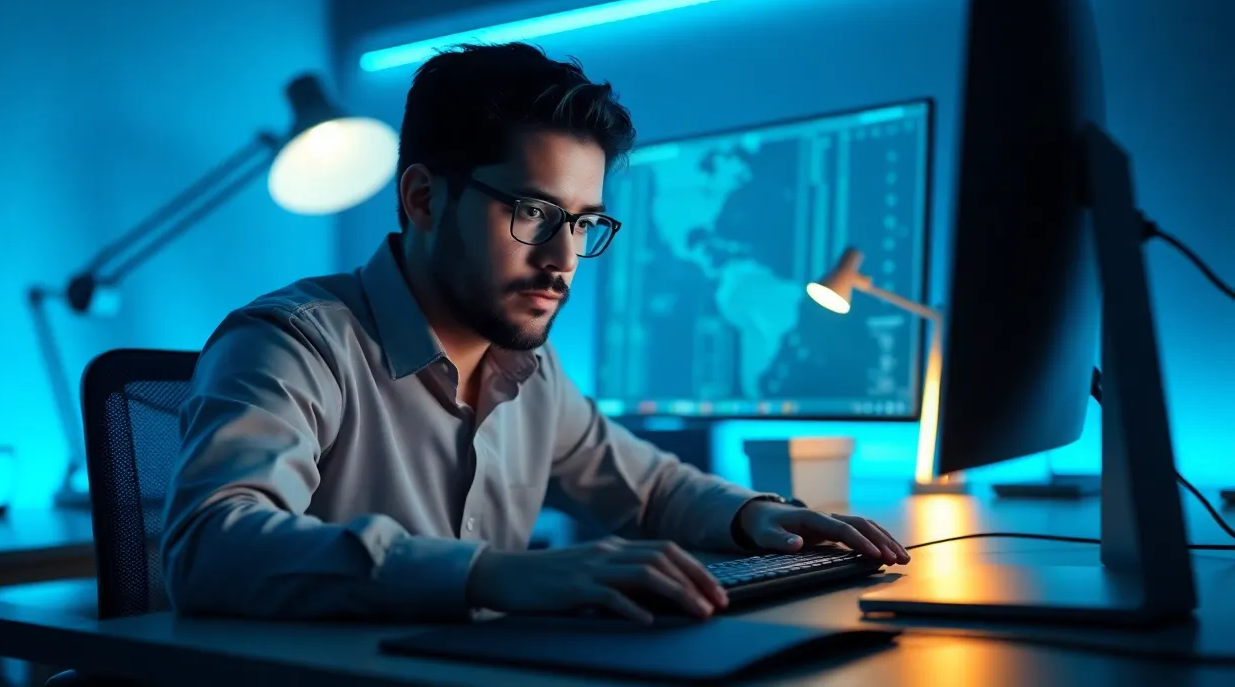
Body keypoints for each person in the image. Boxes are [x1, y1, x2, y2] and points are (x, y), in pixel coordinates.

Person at [160, 42, 910, 625]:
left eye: (583, 223)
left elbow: (650, 489)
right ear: (423, 199)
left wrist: (753, 517)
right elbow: (209, 547)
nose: (563, 259)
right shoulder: (292, 344)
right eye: (533, 213)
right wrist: (487, 574)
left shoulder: (529, 369)